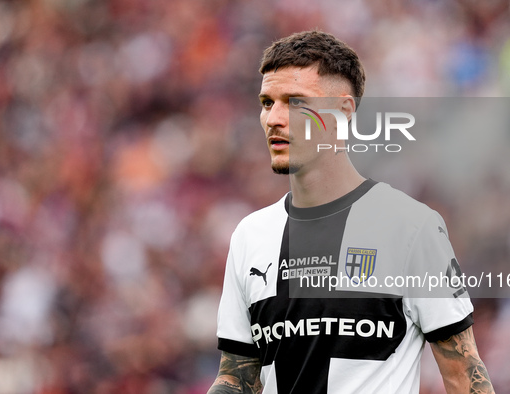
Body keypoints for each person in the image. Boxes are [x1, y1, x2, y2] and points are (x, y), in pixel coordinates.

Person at [207, 30, 494, 394]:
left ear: (343, 113)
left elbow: (464, 377)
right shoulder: (251, 235)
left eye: (295, 102)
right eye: (267, 102)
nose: (273, 119)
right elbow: (237, 379)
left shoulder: (410, 228)